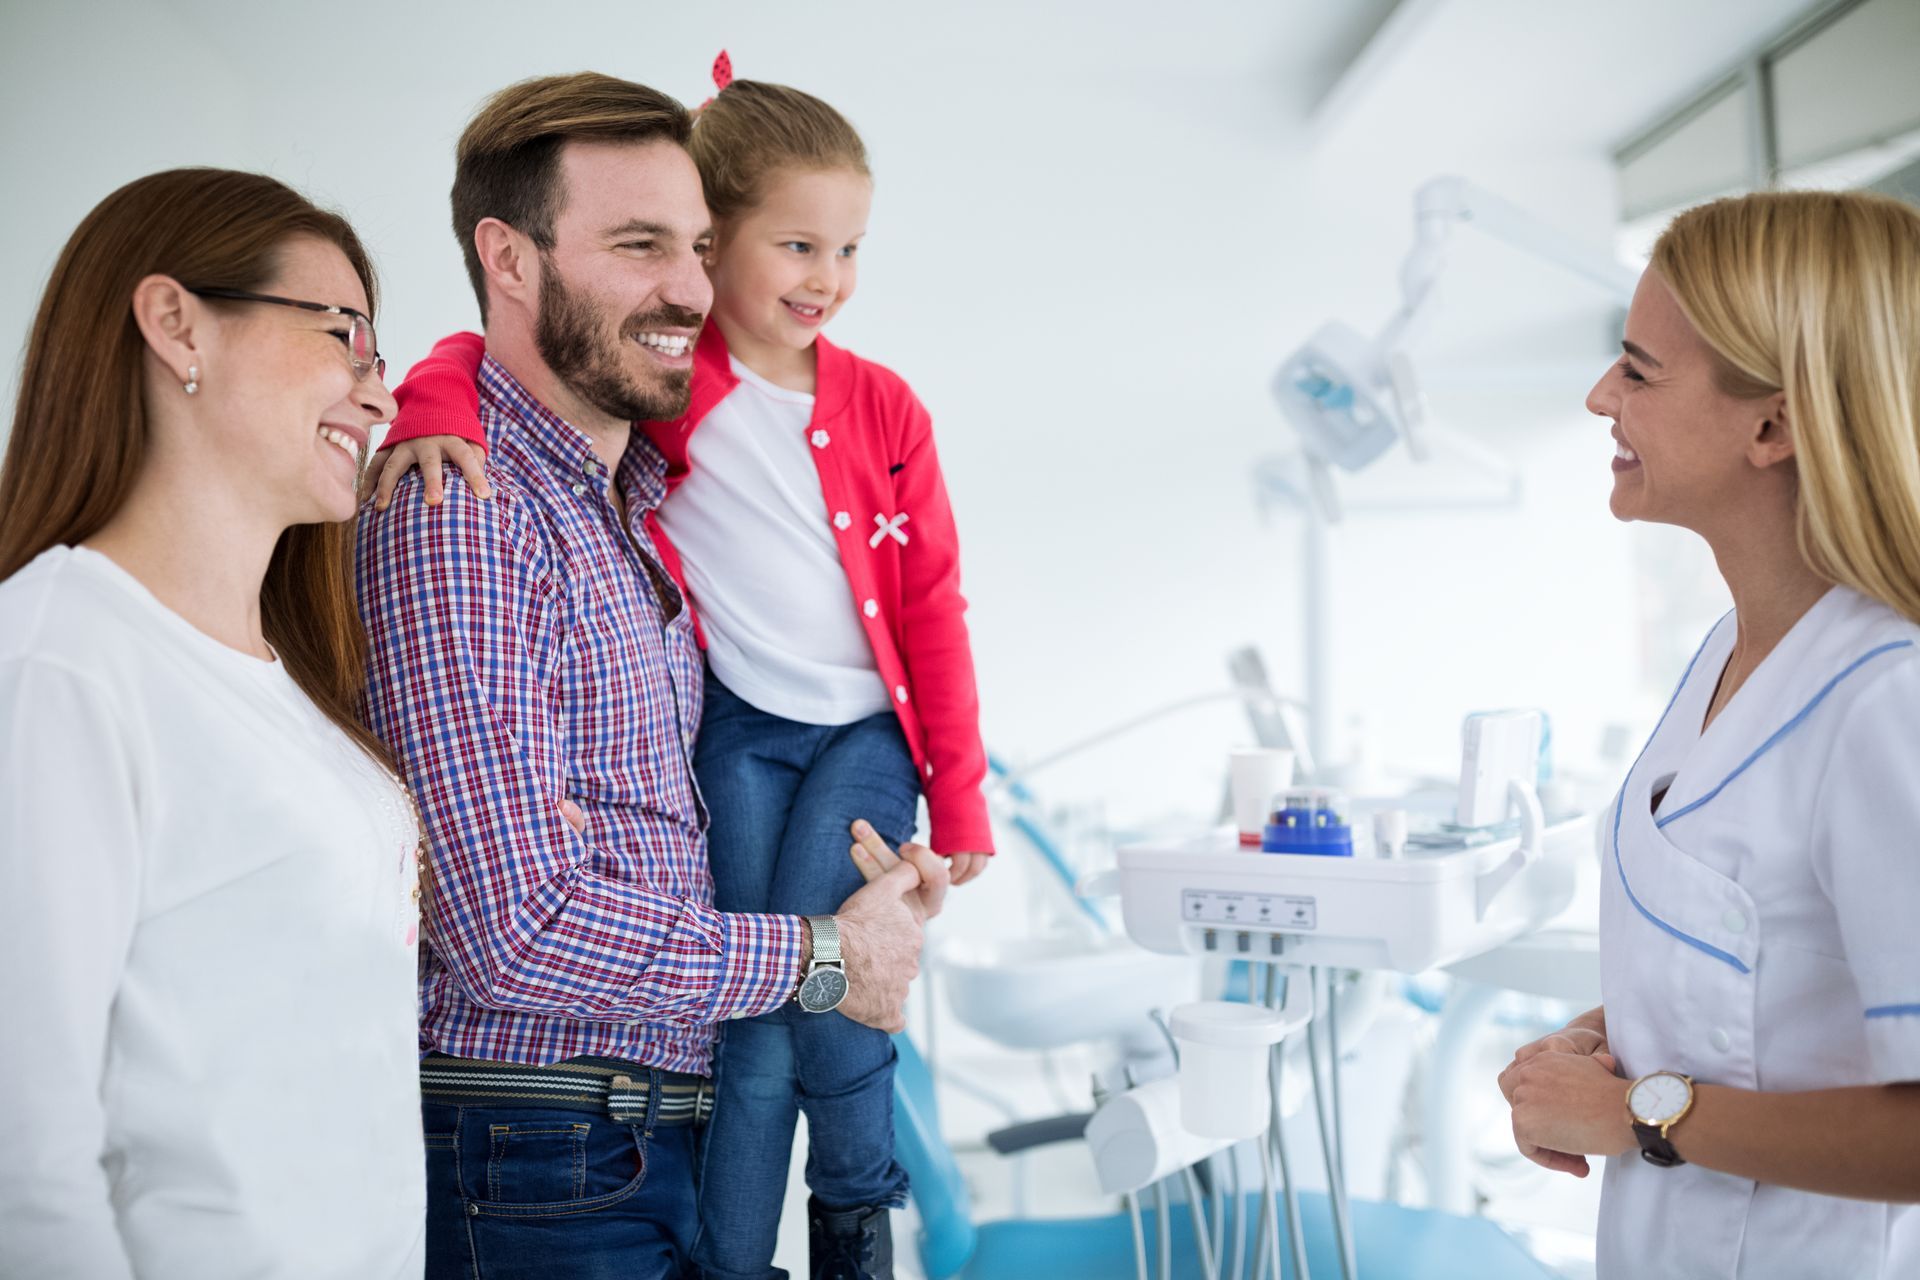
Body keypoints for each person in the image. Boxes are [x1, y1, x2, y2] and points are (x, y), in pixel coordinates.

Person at [369, 59, 993, 1280]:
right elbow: (513, 926)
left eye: (703, 247)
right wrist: (825, 953)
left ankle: (850, 1211)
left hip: (639, 1131)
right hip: (551, 1137)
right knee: (796, 1016)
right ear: (510, 256)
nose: (694, 289)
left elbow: (928, 600)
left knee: (798, 1034)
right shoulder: (467, 504)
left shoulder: (633, 492)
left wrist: (924, 828)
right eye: (644, 243)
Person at [0, 168, 424, 1278]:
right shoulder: (59, 658)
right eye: (347, 337)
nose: (379, 398)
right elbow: (23, 1161)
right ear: (175, 321)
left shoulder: (300, 699)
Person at [1497, 189, 1920, 1278]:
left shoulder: (1887, 699)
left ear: (1773, 426)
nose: (1600, 395)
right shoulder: (1736, 651)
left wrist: (1642, 1106)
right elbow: (1775, 972)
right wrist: (1604, 1039)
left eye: (1637, 370)